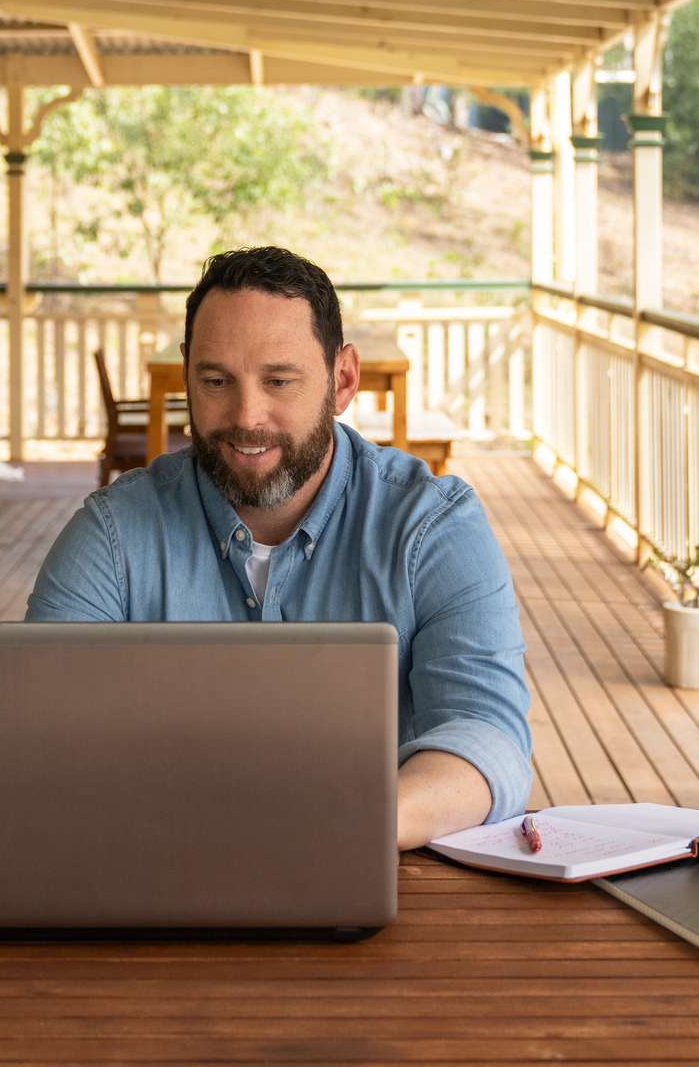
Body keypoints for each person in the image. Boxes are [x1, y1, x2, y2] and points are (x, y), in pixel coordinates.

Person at [26, 246, 532, 850]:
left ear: (342, 380)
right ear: (187, 374)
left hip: (372, 870)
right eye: (216, 381)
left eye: (279, 381)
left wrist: (341, 826)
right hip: (155, 870)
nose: (247, 416)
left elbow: (488, 738)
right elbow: (38, 736)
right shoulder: (112, 533)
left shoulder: (433, 526)